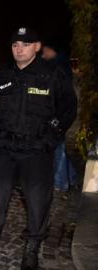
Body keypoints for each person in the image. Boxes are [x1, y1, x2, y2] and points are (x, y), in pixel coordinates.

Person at [0, 27, 77, 270]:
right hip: (5, 148)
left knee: (38, 202)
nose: (19, 48)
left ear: (36, 46)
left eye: (25, 44)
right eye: (15, 44)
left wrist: (51, 137)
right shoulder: (2, 75)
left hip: (37, 150)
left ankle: (32, 249)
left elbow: (68, 108)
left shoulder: (52, 74)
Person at [42, 42, 77, 192]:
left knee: (58, 150)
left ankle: (60, 183)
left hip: (58, 117)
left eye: (45, 51)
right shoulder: (59, 64)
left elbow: (64, 97)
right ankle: (72, 178)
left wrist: (59, 121)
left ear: (52, 50)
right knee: (59, 149)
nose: (43, 55)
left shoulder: (57, 68)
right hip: (59, 117)